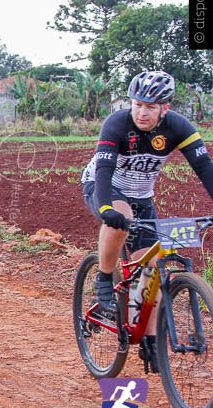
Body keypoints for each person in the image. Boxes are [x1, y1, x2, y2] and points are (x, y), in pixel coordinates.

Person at [81, 70, 213, 372]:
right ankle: (103, 277)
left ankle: (151, 337)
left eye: (151, 107)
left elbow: (204, 166)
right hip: (104, 187)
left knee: (150, 268)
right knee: (120, 217)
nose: (142, 112)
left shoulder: (178, 127)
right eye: (137, 104)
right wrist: (105, 209)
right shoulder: (117, 124)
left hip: (142, 196)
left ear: (165, 108)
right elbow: (102, 171)